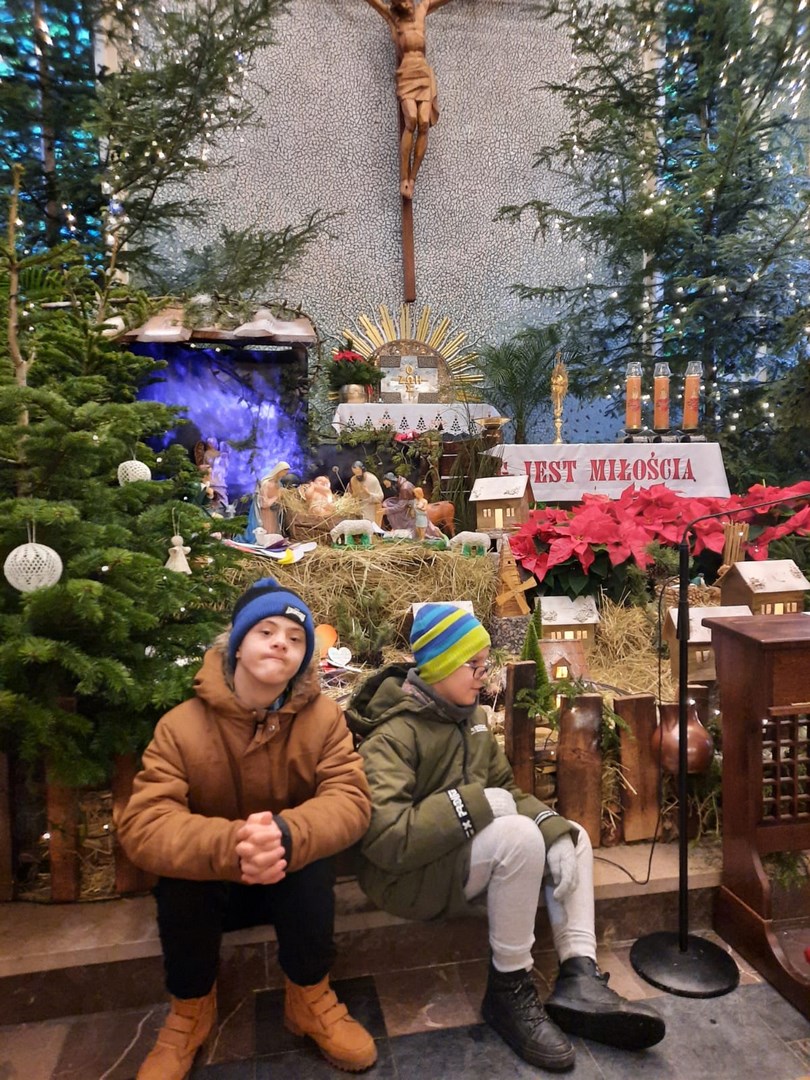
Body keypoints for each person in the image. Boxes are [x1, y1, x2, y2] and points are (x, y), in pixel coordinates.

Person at [345, 604, 665, 1072]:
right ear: (439, 666)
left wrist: (552, 830)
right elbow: (388, 839)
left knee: (570, 835)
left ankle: (580, 976)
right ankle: (508, 990)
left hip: (458, 857)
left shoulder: (470, 718)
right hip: (408, 877)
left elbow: (506, 791)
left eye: (485, 663)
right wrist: (470, 805)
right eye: (473, 665)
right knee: (518, 837)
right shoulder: (393, 735)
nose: (484, 676)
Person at [117, 577, 376, 1079]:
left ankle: (309, 998)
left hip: (287, 879)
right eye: (266, 631)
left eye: (296, 638)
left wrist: (286, 835)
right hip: (216, 887)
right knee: (180, 879)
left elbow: (350, 798)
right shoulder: (181, 726)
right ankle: (190, 1011)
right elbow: (145, 824)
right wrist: (231, 844)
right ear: (237, 645)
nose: (281, 643)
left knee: (311, 862)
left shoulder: (324, 720)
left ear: (303, 660)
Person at [362, 0, 455, 199]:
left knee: (423, 124)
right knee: (411, 120)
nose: (407, 4)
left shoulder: (422, 9)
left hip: (423, 74)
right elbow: (375, 4)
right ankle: (403, 177)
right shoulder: (393, 19)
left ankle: (412, 179)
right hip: (406, 74)